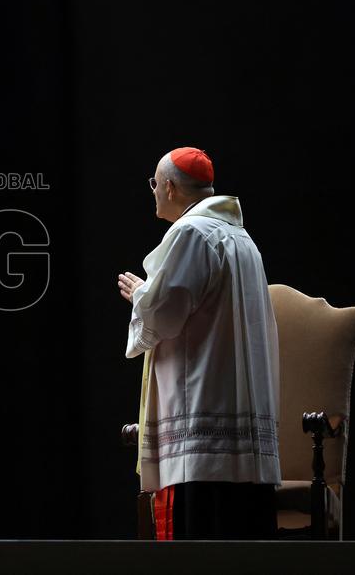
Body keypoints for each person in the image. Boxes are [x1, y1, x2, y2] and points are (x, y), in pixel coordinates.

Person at [117, 147, 280, 540]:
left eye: (156, 183)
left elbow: (164, 314)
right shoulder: (241, 237)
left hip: (203, 410)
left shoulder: (191, 233)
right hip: (236, 406)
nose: (153, 191)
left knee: (203, 535)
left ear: (170, 188)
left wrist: (142, 294)